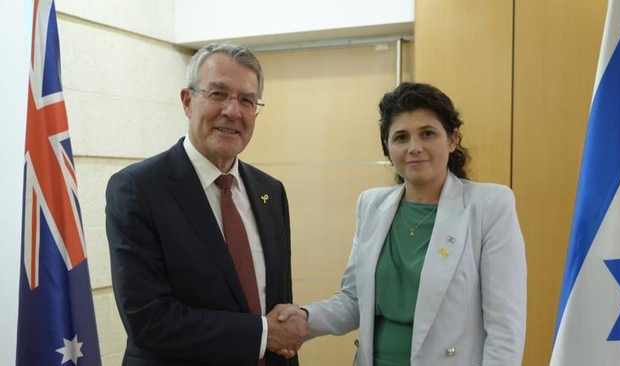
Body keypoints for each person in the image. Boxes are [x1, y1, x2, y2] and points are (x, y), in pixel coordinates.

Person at [279, 82, 527, 365]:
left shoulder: (490, 205)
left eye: (427, 134)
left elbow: (505, 327)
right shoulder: (371, 205)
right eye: (401, 137)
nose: (414, 148)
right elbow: (354, 301)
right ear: (387, 147)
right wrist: (303, 318)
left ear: (453, 139)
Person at [105, 41, 309, 366]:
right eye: (218, 94)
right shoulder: (137, 189)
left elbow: (278, 314)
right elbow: (148, 319)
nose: (233, 111)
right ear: (187, 101)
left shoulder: (270, 192)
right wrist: (261, 334)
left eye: (247, 100)